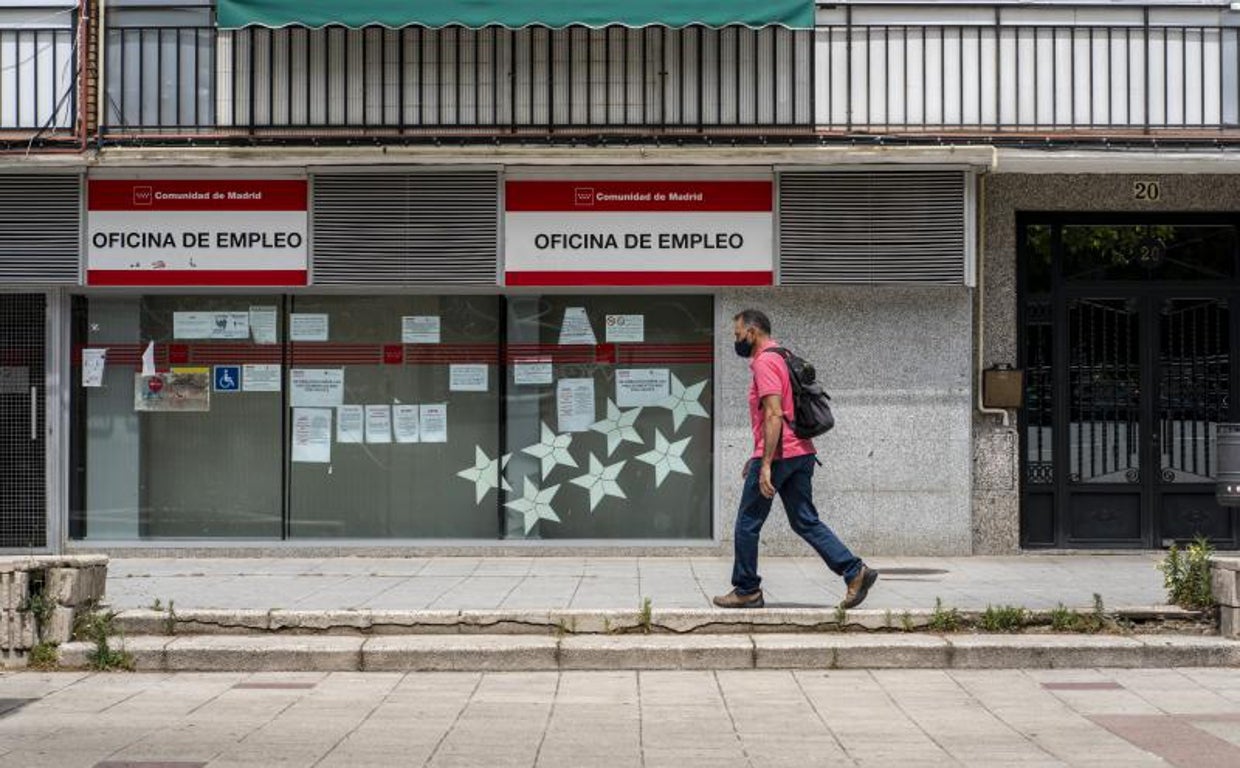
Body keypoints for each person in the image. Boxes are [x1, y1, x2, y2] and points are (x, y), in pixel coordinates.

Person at [713, 309, 878, 610]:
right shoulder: (783, 355)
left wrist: (765, 463)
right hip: (802, 452)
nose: (736, 340)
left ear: (752, 332)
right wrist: (758, 455)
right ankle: (855, 571)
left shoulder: (764, 362)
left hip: (780, 455)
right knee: (805, 521)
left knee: (747, 523)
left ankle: (747, 589)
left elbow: (774, 413)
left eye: (737, 334)